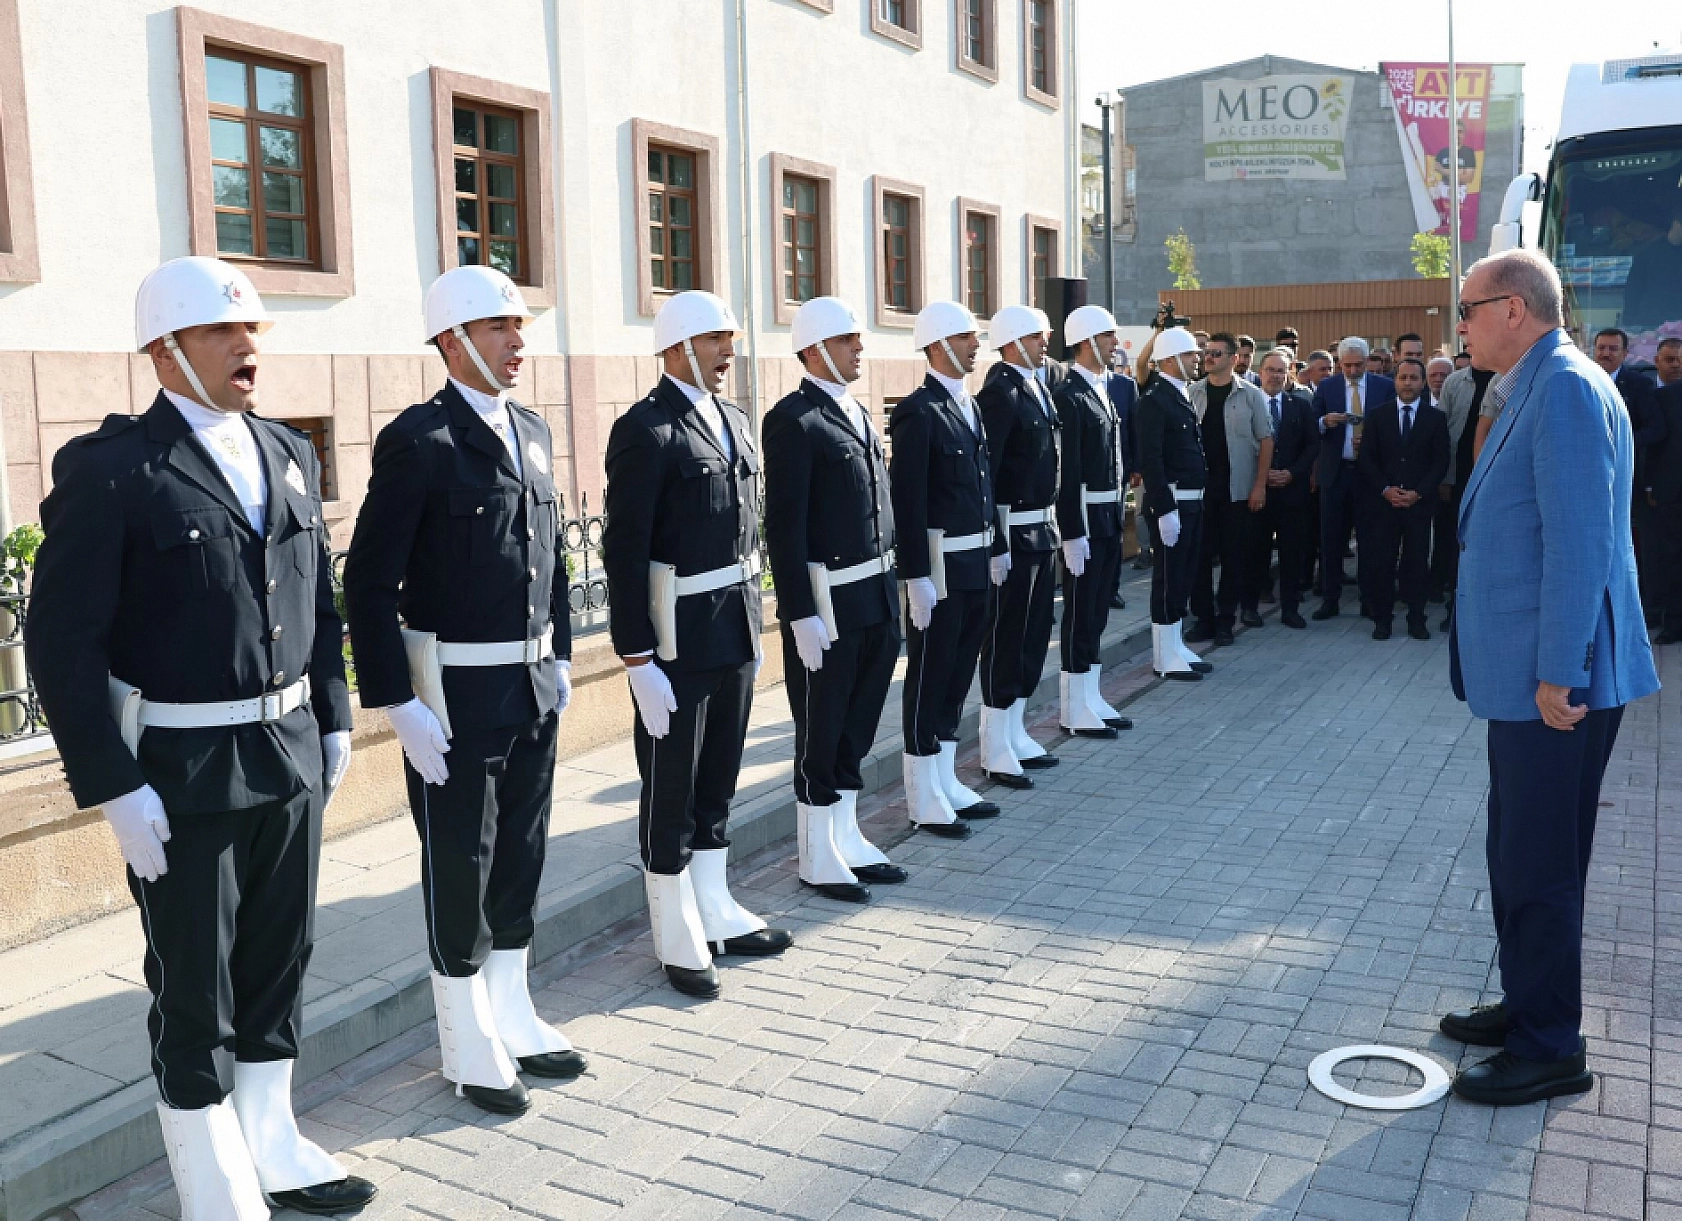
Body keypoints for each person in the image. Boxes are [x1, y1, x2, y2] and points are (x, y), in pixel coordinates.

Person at [25, 257, 375, 1217]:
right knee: (195, 984)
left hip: (289, 752)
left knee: (280, 960)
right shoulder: (114, 472)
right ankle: (212, 1177)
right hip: (181, 771)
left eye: (253, 329)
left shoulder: (286, 450)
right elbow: (59, 639)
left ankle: (273, 1137)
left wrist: (335, 714)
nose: (248, 345)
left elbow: (320, 603)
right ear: (165, 350)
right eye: (224, 332)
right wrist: (112, 781)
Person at [343, 265, 583, 1114]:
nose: (519, 342)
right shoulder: (421, 440)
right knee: (461, 863)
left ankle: (512, 1007)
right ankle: (463, 1033)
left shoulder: (535, 430)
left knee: (521, 853)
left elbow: (551, 546)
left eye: (521, 327)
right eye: (498, 329)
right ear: (452, 341)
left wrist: (560, 647)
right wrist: (396, 702)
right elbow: (369, 583)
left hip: (529, 687)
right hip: (455, 700)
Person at [1441, 248, 1659, 1106]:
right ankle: (1531, 1003)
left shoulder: (1563, 386)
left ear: (1514, 309)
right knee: (1522, 849)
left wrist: (1559, 673)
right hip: (1541, 677)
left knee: (1538, 861)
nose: (1459, 326)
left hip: (1555, 685)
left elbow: (1577, 545)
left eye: (1467, 309)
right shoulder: (1546, 377)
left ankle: (1548, 1046)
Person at [600, 290, 793, 999]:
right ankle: (673, 928)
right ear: (679, 346)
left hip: (733, 628)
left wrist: (758, 623)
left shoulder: (736, 421)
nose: (728, 351)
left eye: (730, 338)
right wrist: (636, 658)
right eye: (716, 339)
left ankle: (714, 904)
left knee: (718, 782)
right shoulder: (647, 430)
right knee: (671, 788)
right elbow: (624, 552)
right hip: (677, 643)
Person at [761, 297, 906, 905]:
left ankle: (846, 834)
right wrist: (799, 612)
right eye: (849, 340)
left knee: (858, 725)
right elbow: (786, 526)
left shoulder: (859, 413)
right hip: (830, 602)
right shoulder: (792, 420)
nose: (860, 349)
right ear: (816, 349)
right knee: (821, 730)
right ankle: (817, 852)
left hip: (875, 594)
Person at [891, 301, 1000, 835]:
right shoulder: (919, 411)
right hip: (940, 568)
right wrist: (915, 577)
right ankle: (921, 794)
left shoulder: (969, 405)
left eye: (975, 336)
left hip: (976, 561)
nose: (974, 344)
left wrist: (996, 546)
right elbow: (909, 502)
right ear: (935, 346)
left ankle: (945, 776)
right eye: (963, 337)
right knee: (930, 676)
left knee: (958, 676)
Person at [976, 305, 1065, 781]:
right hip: (1013, 531)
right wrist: (995, 539)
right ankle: (994, 744)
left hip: (1040, 529)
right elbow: (986, 473)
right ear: (1011, 342)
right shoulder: (1000, 393)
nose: (1043, 342)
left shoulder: (1036, 388)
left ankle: (1015, 729)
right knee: (1006, 640)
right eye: (1035, 336)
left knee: (1032, 637)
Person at [1054, 304, 1135, 737]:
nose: (1114, 344)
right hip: (1086, 518)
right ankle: (1073, 705)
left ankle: (1090, 694)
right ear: (1086, 341)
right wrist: (1073, 531)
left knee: (1098, 612)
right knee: (1080, 614)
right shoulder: (1070, 396)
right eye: (1108, 337)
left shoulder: (1101, 389)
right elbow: (1069, 473)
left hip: (1106, 515)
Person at [1185, 333, 1273, 644]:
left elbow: (1266, 440)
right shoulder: (1192, 392)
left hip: (1237, 490)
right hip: (1200, 491)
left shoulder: (1250, 395)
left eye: (1217, 354)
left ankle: (1225, 620)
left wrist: (1259, 485)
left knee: (1233, 558)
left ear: (1234, 359)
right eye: (1207, 353)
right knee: (1199, 558)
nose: (1209, 358)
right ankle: (1203, 619)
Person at [1134, 327, 1211, 681]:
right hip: (1174, 503)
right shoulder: (1155, 399)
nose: (1198, 359)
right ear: (1170, 359)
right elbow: (1152, 459)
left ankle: (1176, 644)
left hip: (1192, 502)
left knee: (1183, 578)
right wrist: (1164, 509)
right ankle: (1164, 655)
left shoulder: (1178, 394)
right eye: (1191, 354)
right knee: (1168, 580)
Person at [1358, 357, 1449, 640]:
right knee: (1383, 562)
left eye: (1413, 378)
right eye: (1403, 378)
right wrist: (1385, 489)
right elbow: (1367, 459)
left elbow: (1440, 461)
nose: (1407, 383)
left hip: (1418, 505)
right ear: (1395, 381)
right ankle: (1382, 619)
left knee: (1417, 564)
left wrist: (1418, 492)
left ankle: (1416, 618)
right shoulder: (1377, 415)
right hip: (1384, 504)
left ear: (1422, 383)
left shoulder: (1435, 418)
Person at [1311, 338, 1394, 619]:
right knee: (1331, 539)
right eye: (1347, 365)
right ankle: (1329, 598)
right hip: (1335, 473)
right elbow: (1312, 423)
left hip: (1368, 475)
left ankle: (1368, 599)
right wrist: (1325, 422)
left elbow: (1393, 426)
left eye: (1358, 365)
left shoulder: (1384, 386)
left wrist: (1373, 439)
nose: (1353, 370)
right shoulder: (1328, 386)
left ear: (1368, 361)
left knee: (1369, 540)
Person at [1252, 348, 1316, 629]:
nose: (1275, 376)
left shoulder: (1301, 406)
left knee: (1292, 553)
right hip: (1258, 490)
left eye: (1281, 371)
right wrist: (1263, 476)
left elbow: (1312, 446)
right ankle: (1251, 606)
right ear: (1260, 373)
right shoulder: (1249, 404)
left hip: (1291, 491)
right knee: (1255, 551)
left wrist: (1291, 473)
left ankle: (1290, 608)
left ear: (1288, 374)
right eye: (1270, 370)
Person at [1430, 357, 1495, 621]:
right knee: (1451, 537)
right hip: (1457, 472)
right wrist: (1445, 477)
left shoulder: (1506, 378)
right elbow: (1442, 432)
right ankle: (1449, 600)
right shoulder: (1455, 382)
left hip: (1490, 474)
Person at [1644, 377, 1682, 644]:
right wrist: (1650, 486)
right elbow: (1656, 445)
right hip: (1672, 493)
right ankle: (1673, 622)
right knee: (1671, 560)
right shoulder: (1666, 396)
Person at [1106, 346, 1139, 609]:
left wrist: (1135, 466)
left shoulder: (1125, 386)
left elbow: (1133, 426)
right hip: (1091, 479)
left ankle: (1112, 587)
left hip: (1121, 471)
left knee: (1116, 530)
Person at [1622, 204, 1682, 328]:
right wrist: (1629, 324)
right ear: (1676, 224)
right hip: (1651, 325)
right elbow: (1633, 290)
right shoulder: (1647, 252)